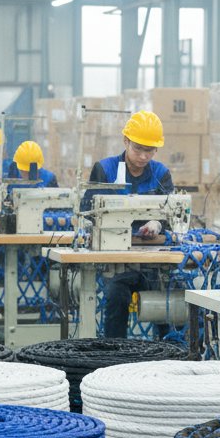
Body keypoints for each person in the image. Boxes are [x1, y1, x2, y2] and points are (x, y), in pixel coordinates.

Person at [89, 111, 175, 340]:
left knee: (172, 297)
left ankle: (171, 351)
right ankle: (115, 351)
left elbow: (170, 215)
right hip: (116, 262)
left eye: (150, 150)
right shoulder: (105, 170)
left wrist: (157, 224)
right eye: (138, 149)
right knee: (116, 296)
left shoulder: (161, 174)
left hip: (154, 263)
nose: (144, 156)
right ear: (125, 141)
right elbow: (88, 212)